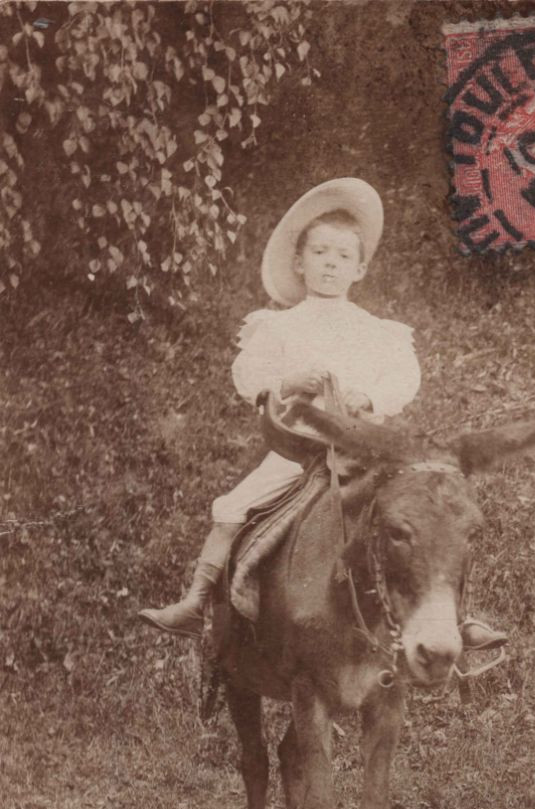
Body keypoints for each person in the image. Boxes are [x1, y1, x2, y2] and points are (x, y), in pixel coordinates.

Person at [139, 177, 505, 652]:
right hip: (301, 452)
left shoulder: (377, 332)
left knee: (431, 515)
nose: (330, 264)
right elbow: (249, 372)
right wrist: (288, 385)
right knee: (234, 505)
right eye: (319, 253)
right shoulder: (278, 327)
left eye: (342, 257)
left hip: (367, 451)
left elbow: (403, 377)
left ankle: (456, 619)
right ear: (299, 262)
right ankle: (196, 603)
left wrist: (368, 399)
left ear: (359, 269)